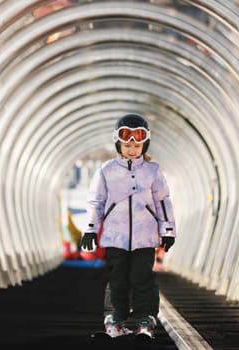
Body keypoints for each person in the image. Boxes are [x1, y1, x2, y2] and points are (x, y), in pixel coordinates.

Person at [80, 113, 176, 339]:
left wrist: (168, 231)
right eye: (127, 144)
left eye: (138, 144)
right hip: (115, 237)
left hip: (145, 238)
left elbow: (163, 201)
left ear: (145, 143)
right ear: (118, 144)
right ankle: (115, 318)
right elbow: (96, 201)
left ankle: (145, 320)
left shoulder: (152, 171)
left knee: (142, 278)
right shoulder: (106, 170)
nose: (132, 149)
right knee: (117, 278)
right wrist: (90, 228)